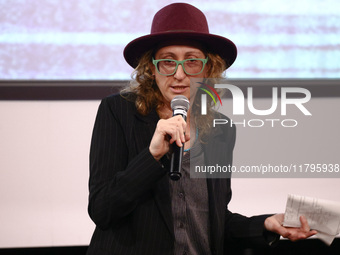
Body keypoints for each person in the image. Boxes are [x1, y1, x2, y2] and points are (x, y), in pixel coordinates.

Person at [86, 3, 316, 255]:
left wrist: (264, 224)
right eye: (167, 62)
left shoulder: (220, 130)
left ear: (208, 68)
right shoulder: (118, 112)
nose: (180, 74)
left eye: (192, 62)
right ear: (151, 68)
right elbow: (102, 209)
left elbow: (214, 220)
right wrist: (152, 157)